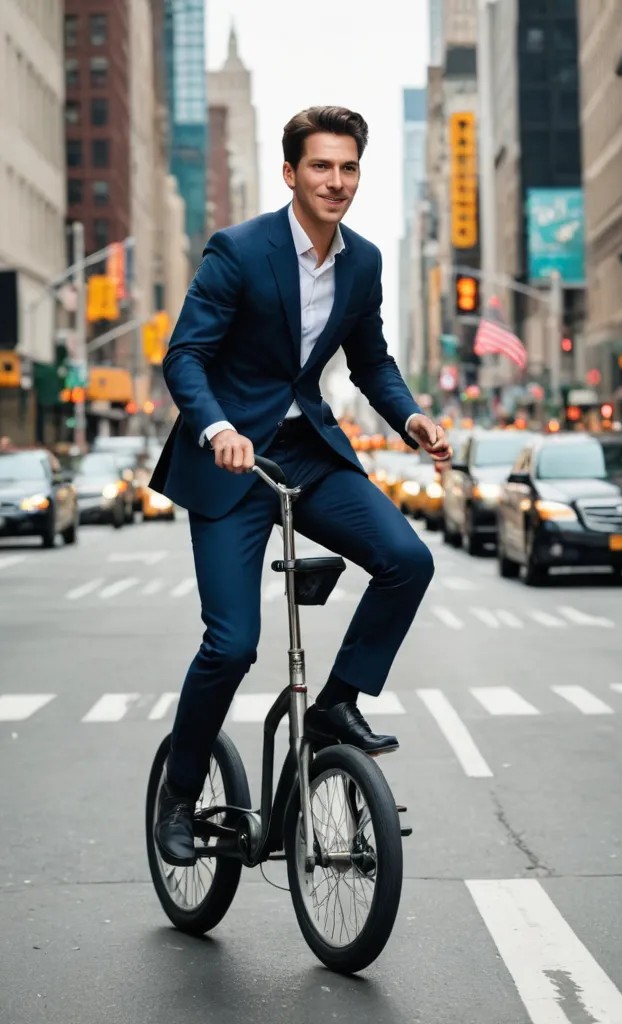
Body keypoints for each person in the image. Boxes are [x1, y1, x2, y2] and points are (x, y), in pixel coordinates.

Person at [149, 105, 451, 866]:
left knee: (407, 560)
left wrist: (411, 421)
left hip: (307, 450)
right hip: (230, 461)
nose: (336, 181)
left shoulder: (364, 262)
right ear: (291, 173)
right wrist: (218, 428)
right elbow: (184, 356)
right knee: (232, 644)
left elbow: (372, 361)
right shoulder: (239, 251)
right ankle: (179, 796)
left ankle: (334, 708)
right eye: (321, 166)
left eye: (348, 167)